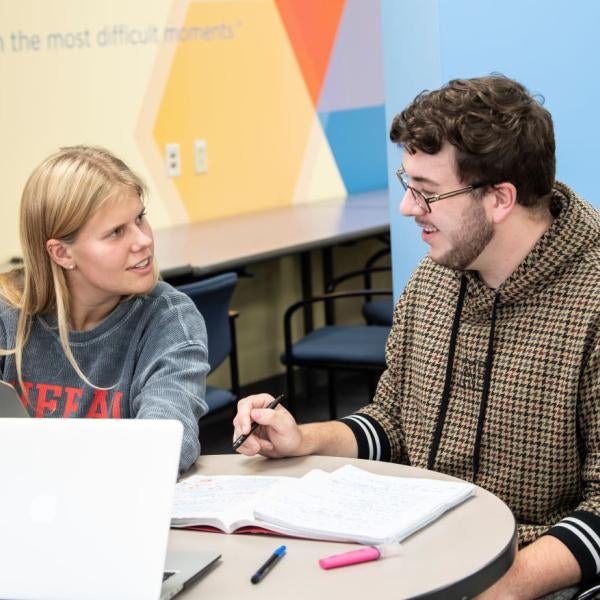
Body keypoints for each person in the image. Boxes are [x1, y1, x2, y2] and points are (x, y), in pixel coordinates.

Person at [233, 76, 600, 599]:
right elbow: (394, 423)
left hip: (532, 574)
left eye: (426, 193)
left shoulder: (592, 299)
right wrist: (304, 439)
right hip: (420, 553)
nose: (408, 209)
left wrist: (502, 586)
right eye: (408, 185)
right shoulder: (436, 276)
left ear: (499, 198)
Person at [0, 145, 209, 473]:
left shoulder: (168, 319)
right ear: (62, 254)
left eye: (140, 218)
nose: (143, 241)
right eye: (116, 232)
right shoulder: (8, 314)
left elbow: (167, 443)